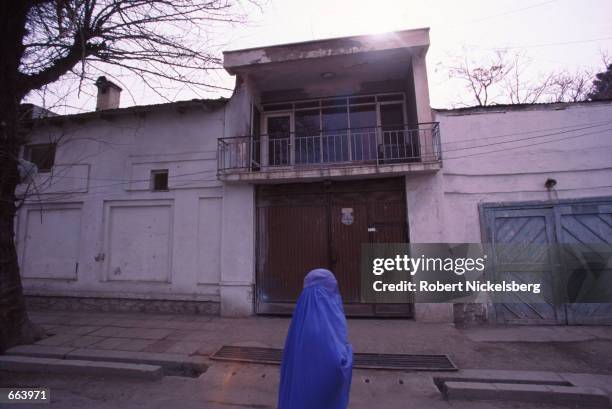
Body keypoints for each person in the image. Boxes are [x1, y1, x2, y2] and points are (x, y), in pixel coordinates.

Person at [277, 268, 353, 409]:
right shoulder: (325, 321)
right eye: (333, 287)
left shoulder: (301, 315)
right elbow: (336, 366)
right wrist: (349, 354)